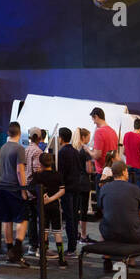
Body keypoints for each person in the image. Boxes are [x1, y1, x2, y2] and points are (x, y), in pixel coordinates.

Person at [0, 122, 31, 267]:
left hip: (2, 187)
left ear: (8, 132)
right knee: (22, 218)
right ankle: (17, 249)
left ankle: (9, 250)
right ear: (19, 132)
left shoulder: (3, 148)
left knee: (6, 219)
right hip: (14, 188)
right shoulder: (19, 149)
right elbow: (20, 171)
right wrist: (24, 189)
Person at [97, 160, 140, 243]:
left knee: (104, 222)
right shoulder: (135, 189)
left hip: (108, 233)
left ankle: (106, 252)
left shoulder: (104, 188)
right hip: (132, 234)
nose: (128, 173)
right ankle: (132, 254)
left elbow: (103, 210)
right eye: (127, 171)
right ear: (124, 172)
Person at [33, 152, 66, 267]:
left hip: (42, 206)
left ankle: (43, 258)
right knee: (57, 232)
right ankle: (61, 260)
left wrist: (43, 197)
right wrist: (51, 198)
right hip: (55, 205)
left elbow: (31, 189)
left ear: (40, 163)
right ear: (52, 162)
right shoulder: (57, 175)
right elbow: (62, 190)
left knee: (44, 232)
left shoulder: (37, 175)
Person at [57, 127, 86, 255]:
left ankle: (71, 248)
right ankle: (73, 245)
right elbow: (80, 169)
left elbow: (61, 172)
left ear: (61, 138)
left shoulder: (62, 152)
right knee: (74, 217)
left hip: (67, 189)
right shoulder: (75, 151)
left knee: (69, 218)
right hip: (77, 188)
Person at [122, 118, 140, 193]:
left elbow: (124, 152)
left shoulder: (126, 135)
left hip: (128, 166)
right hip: (139, 167)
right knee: (138, 190)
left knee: (129, 188)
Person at [90, 108, 118, 174]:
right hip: (112, 170)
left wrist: (87, 150)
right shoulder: (113, 131)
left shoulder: (99, 132)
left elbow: (97, 155)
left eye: (93, 120)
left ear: (96, 117)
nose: (94, 123)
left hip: (102, 171)